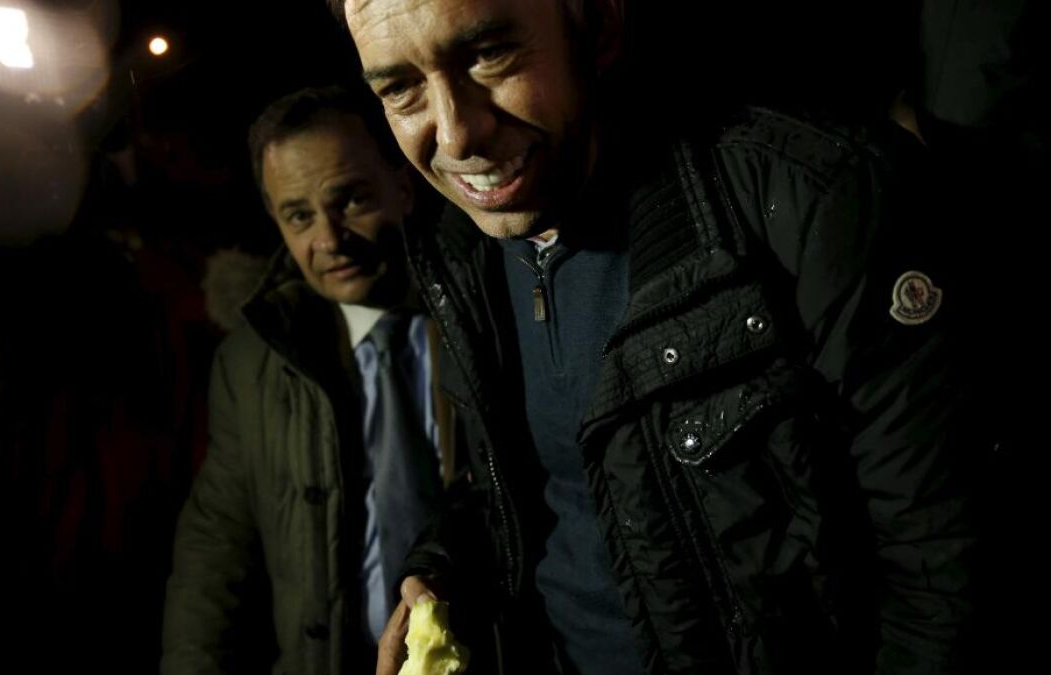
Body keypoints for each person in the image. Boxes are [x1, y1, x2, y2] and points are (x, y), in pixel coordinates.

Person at [327, 1, 985, 673]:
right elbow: (530, 480)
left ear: (599, 23)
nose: (456, 134)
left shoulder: (812, 199)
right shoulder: (459, 249)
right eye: (400, 88)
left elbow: (943, 571)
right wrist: (441, 570)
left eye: (489, 54)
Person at [162, 85, 454, 675]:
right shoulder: (252, 365)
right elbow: (217, 546)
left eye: (351, 200)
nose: (329, 240)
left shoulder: (485, 317)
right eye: (299, 215)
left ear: (403, 185)